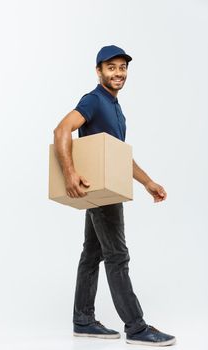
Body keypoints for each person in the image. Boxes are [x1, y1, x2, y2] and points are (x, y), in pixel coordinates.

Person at [53, 45, 176, 346]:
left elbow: (120, 156)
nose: (118, 73)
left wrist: (148, 183)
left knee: (92, 254)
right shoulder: (94, 100)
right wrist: (69, 173)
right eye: (112, 67)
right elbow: (61, 130)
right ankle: (136, 328)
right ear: (99, 71)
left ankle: (83, 321)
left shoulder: (115, 108)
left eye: (122, 67)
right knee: (117, 257)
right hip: (101, 190)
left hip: (106, 188)